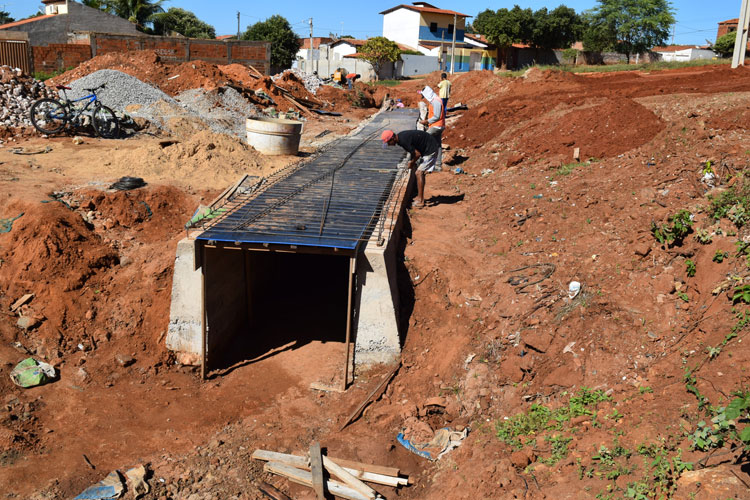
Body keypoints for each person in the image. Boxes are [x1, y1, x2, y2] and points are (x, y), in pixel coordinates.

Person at [382, 129, 439, 208]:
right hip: (428, 146)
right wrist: (411, 161)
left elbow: (417, 154)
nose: (388, 145)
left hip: (430, 150)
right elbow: (413, 151)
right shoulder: (400, 137)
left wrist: (412, 162)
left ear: (392, 139)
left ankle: (421, 201)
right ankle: (419, 196)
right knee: (420, 173)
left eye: (388, 142)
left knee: (418, 173)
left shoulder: (403, 141)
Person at [418, 85, 444, 170]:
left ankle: (423, 162)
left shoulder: (436, 101)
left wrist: (427, 121)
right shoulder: (434, 101)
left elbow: (437, 116)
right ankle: (438, 165)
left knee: (423, 139)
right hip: (437, 125)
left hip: (436, 126)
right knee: (438, 145)